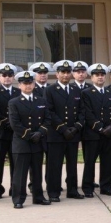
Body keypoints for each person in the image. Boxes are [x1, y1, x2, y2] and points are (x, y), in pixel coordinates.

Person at [8, 71, 52, 209]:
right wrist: (29, 135)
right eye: (24, 83)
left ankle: (38, 197)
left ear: (34, 84)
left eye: (30, 83)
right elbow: (15, 124)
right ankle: (18, 199)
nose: (28, 86)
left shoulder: (41, 101)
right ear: (20, 85)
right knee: (20, 173)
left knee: (37, 173)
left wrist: (40, 133)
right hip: (22, 143)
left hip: (37, 142)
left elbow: (47, 119)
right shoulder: (14, 102)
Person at [44, 60, 85, 201]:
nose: (66, 75)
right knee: (55, 165)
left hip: (72, 134)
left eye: (68, 72)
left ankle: (72, 190)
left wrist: (76, 127)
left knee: (72, 165)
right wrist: (62, 128)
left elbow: (81, 110)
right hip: (56, 134)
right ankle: (53, 192)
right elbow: (49, 112)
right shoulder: (49, 90)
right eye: (63, 72)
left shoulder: (76, 90)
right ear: (57, 74)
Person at [81, 63, 111, 197]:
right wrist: (99, 127)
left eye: (102, 75)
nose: (100, 77)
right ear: (91, 78)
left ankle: (106, 186)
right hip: (93, 134)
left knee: (108, 162)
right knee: (90, 162)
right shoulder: (86, 93)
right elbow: (87, 113)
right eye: (97, 75)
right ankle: (87, 188)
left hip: (109, 134)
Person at [0, 63, 20, 198]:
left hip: (15, 134)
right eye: (4, 75)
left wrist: (13, 123)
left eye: (10, 75)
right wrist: (5, 121)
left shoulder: (18, 92)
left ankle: (15, 188)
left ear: (13, 77)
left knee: (16, 162)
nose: (7, 78)